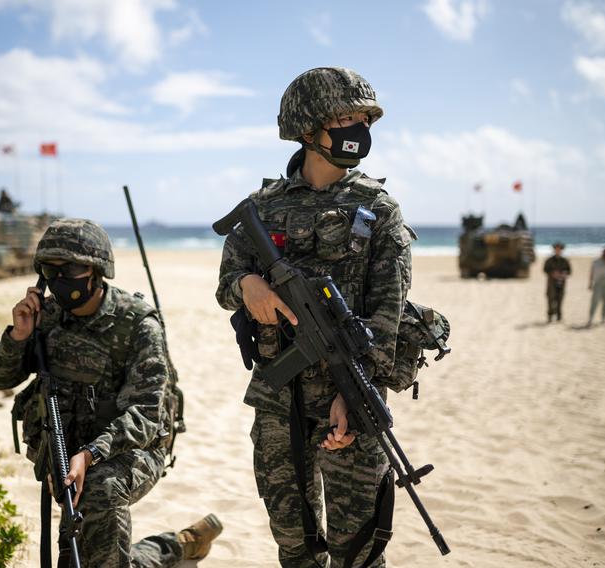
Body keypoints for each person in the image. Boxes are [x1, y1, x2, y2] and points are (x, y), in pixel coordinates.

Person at [216, 67, 413, 567]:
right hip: (277, 400)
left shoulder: (378, 209)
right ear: (308, 129)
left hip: (348, 401)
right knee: (295, 546)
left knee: (359, 550)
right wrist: (248, 286)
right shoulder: (262, 209)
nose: (357, 129)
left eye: (363, 119)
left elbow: (387, 316)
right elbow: (226, 283)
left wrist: (354, 394)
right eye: (343, 118)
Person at [0, 218, 222, 567]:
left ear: (96, 271)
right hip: (64, 453)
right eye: (51, 269)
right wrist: (18, 336)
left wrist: (91, 454)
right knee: (84, 557)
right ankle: (179, 545)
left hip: (132, 450)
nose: (61, 279)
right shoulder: (44, 318)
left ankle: (174, 546)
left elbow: (146, 415)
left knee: (99, 492)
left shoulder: (137, 324)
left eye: (72, 268)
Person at [543, 242, 571, 323]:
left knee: (560, 300)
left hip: (561, 284)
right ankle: (550, 316)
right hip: (551, 284)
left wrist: (564, 274)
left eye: (559, 249)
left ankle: (559, 317)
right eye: (556, 249)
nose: (558, 250)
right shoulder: (549, 260)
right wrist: (552, 273)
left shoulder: (565, 260)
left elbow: (569, 271)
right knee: (550, 300)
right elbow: (545, 270)